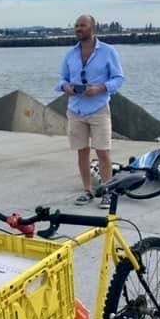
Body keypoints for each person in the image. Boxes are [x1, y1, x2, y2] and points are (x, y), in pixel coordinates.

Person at [56, 14, 125, 209]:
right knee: (82, 153)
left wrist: (100, 88)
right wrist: (65, 87)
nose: (78, 28)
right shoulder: (70, 54)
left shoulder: (108, 51)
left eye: (82, 25)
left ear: (93, 28)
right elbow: (61, 78)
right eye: (76, 25)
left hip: (98, 108)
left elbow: (118, 79)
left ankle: (107, 192)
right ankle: (87, 191)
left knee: (103, 152)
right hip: (75, 109)